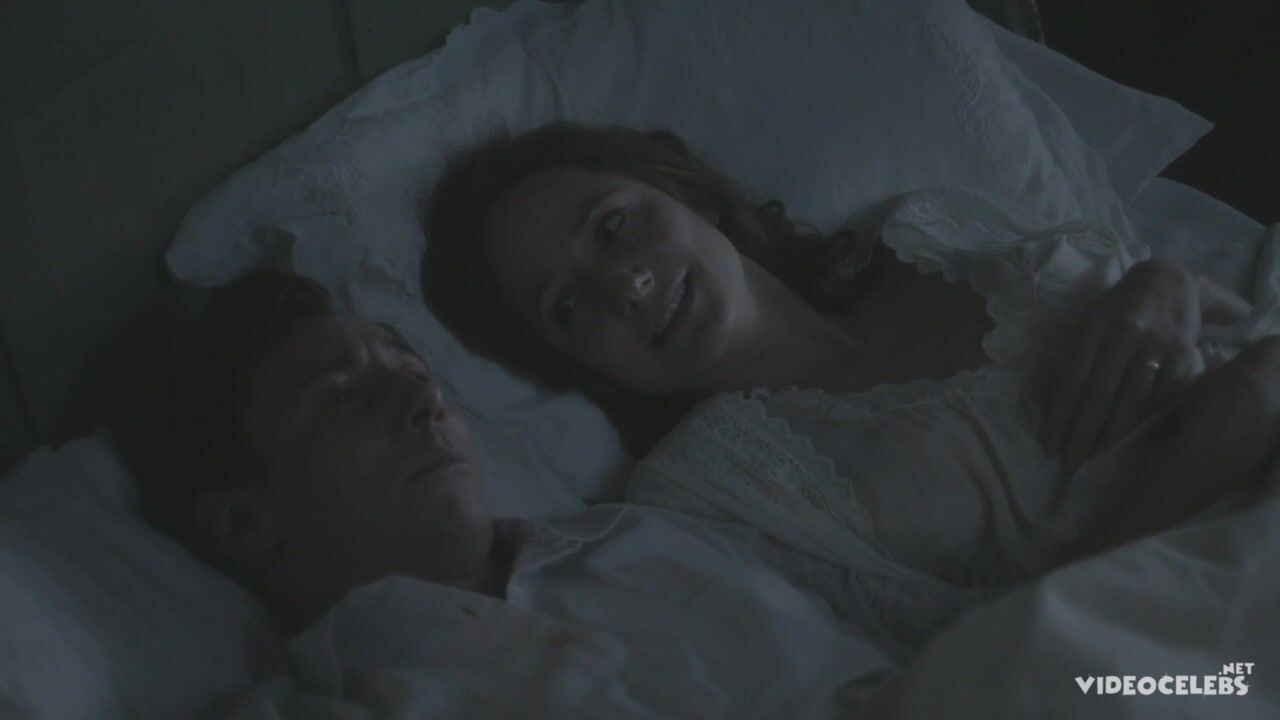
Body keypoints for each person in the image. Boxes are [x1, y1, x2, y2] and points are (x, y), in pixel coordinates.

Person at [421, 122, 1280, 595]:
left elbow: (1238, 323)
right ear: (584, 368)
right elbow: (984, 667)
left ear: (682, 192)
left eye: (613, 228)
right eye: (569, 308)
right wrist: (1224, 430)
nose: (626, 286)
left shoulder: (925, 228)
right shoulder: (708, 488)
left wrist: (1168, 284)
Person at [115, 270, 957, 716]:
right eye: (342, 397)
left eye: (411, 366)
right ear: (244, 521)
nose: (424, 398)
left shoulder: (642, 536)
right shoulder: (347, 703)